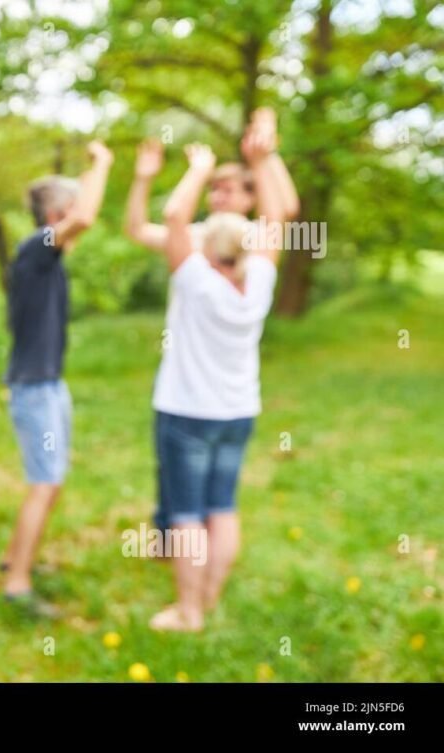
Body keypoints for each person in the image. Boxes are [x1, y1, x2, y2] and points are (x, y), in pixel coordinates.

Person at [125, 108, 298, 534]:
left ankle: (188, 568)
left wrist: (265, 155)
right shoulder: (208, 241)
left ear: (250, 197)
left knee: (196, 496)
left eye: (228, 189)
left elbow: (285, 209)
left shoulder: (243, 246)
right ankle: (176, 538)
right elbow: (136, 229)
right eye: (214, 189)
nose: (218, 197)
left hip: (192, 400)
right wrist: (144, 179)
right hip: (227, 403)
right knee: (196, 491)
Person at [146, 140, 284, 632]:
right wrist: (264, 159)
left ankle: (189, 612)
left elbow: (174, 215)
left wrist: (201, 169)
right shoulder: (262, 277)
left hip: (186, 412)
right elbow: (277, 215)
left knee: (186, 515)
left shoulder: (195, 279)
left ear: (209, 247)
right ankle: (208, 597)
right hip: (238, 412)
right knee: (222, 508)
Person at [0, 141, 113, 616]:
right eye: (72, 207)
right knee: (44, 482)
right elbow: (84, 219)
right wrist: (102, 164)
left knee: (54, 479)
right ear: (59, 212)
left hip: (48, 383)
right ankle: (18, 585)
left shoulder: (45, 257)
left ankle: (14, 559)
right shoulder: (36, 248)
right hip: (35, 387)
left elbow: (80, 217)